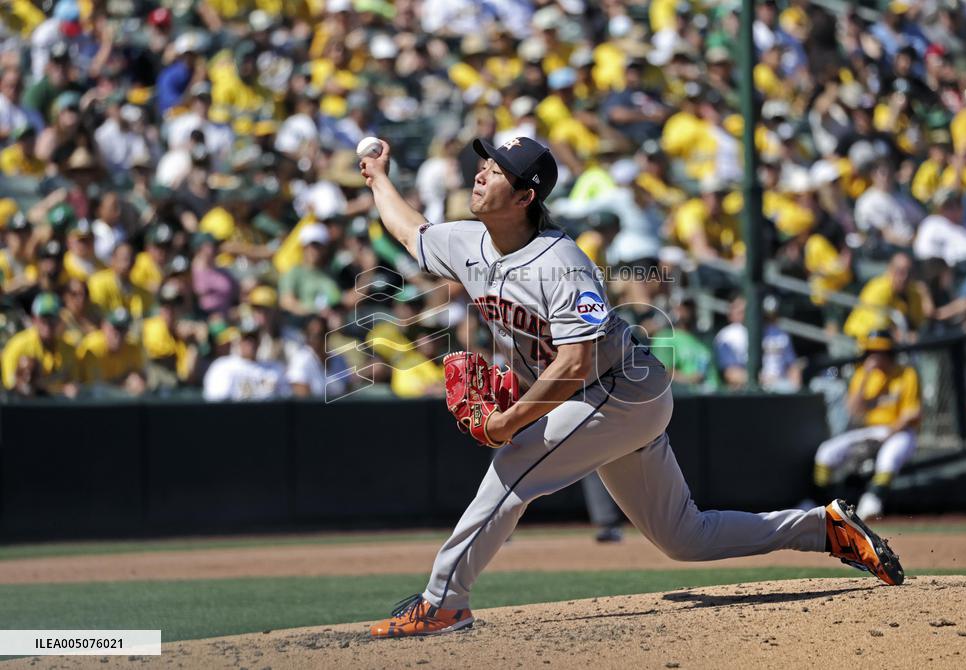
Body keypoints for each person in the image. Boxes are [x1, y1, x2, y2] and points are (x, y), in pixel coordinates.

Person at [359, 136, 904, 639]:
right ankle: (823, 529)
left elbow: (575, 363)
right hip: (595, 400)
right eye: (484, 163)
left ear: (525, 195)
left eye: (496, 170)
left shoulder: (562, 263)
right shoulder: (467, 240)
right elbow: (411, 230)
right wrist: (379, 178)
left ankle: (444, 601)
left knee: (513, 468)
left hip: (622, 391)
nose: (480, 174)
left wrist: (509, 420)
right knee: (683, 536)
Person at [812, 331, 921, 521]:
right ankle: (820, 504)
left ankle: (872, 501)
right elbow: (854, 409)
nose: (875, 356)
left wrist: (891, 431)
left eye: (879, 351)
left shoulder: (906, 373)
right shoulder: (864, 374)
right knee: (826, 451)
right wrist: (866, 377)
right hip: (871, 430)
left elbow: (913, 413)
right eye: (871, 351)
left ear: (889, 352)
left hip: (901, 431)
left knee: (889, 456)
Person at [1, 292, 78, 397]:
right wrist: (55, 390)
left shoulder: (68, 348)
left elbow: (75, 382)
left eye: (52, 319)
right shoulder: (17, 346)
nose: (48, 324)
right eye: (43, 319)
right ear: (34, 319)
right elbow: (11, 386)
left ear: (59, 320)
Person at [202, 320, 289, 401]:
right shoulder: (222, 367)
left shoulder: (275, 368)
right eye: (246, 338)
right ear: (237, 341)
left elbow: (286, 400)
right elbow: (218, 404)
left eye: (254, 338)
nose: (251, 343)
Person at [76, 307, 146, 394]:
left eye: (122, 329)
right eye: (114, 328)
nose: (118, 334)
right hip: (90, 398)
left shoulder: (132, 348)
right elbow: (92, 384)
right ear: (104, 326)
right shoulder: (92, 346)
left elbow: (140, 380)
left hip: (117, 395)